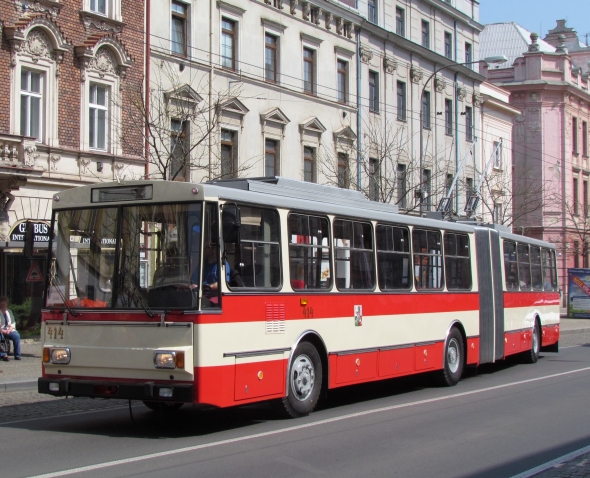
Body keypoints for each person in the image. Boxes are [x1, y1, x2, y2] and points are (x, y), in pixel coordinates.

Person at [0, 296, 21, 361]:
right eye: (2, 304)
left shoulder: (9, 311)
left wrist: (10, 330)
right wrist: (3, 331)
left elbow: (13, 322)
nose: (4, 305)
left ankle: (17, 355)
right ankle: (4, 354)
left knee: (16, 336)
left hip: (8, 329)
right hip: (1, 329)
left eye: (5, 304)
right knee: (1, 336)